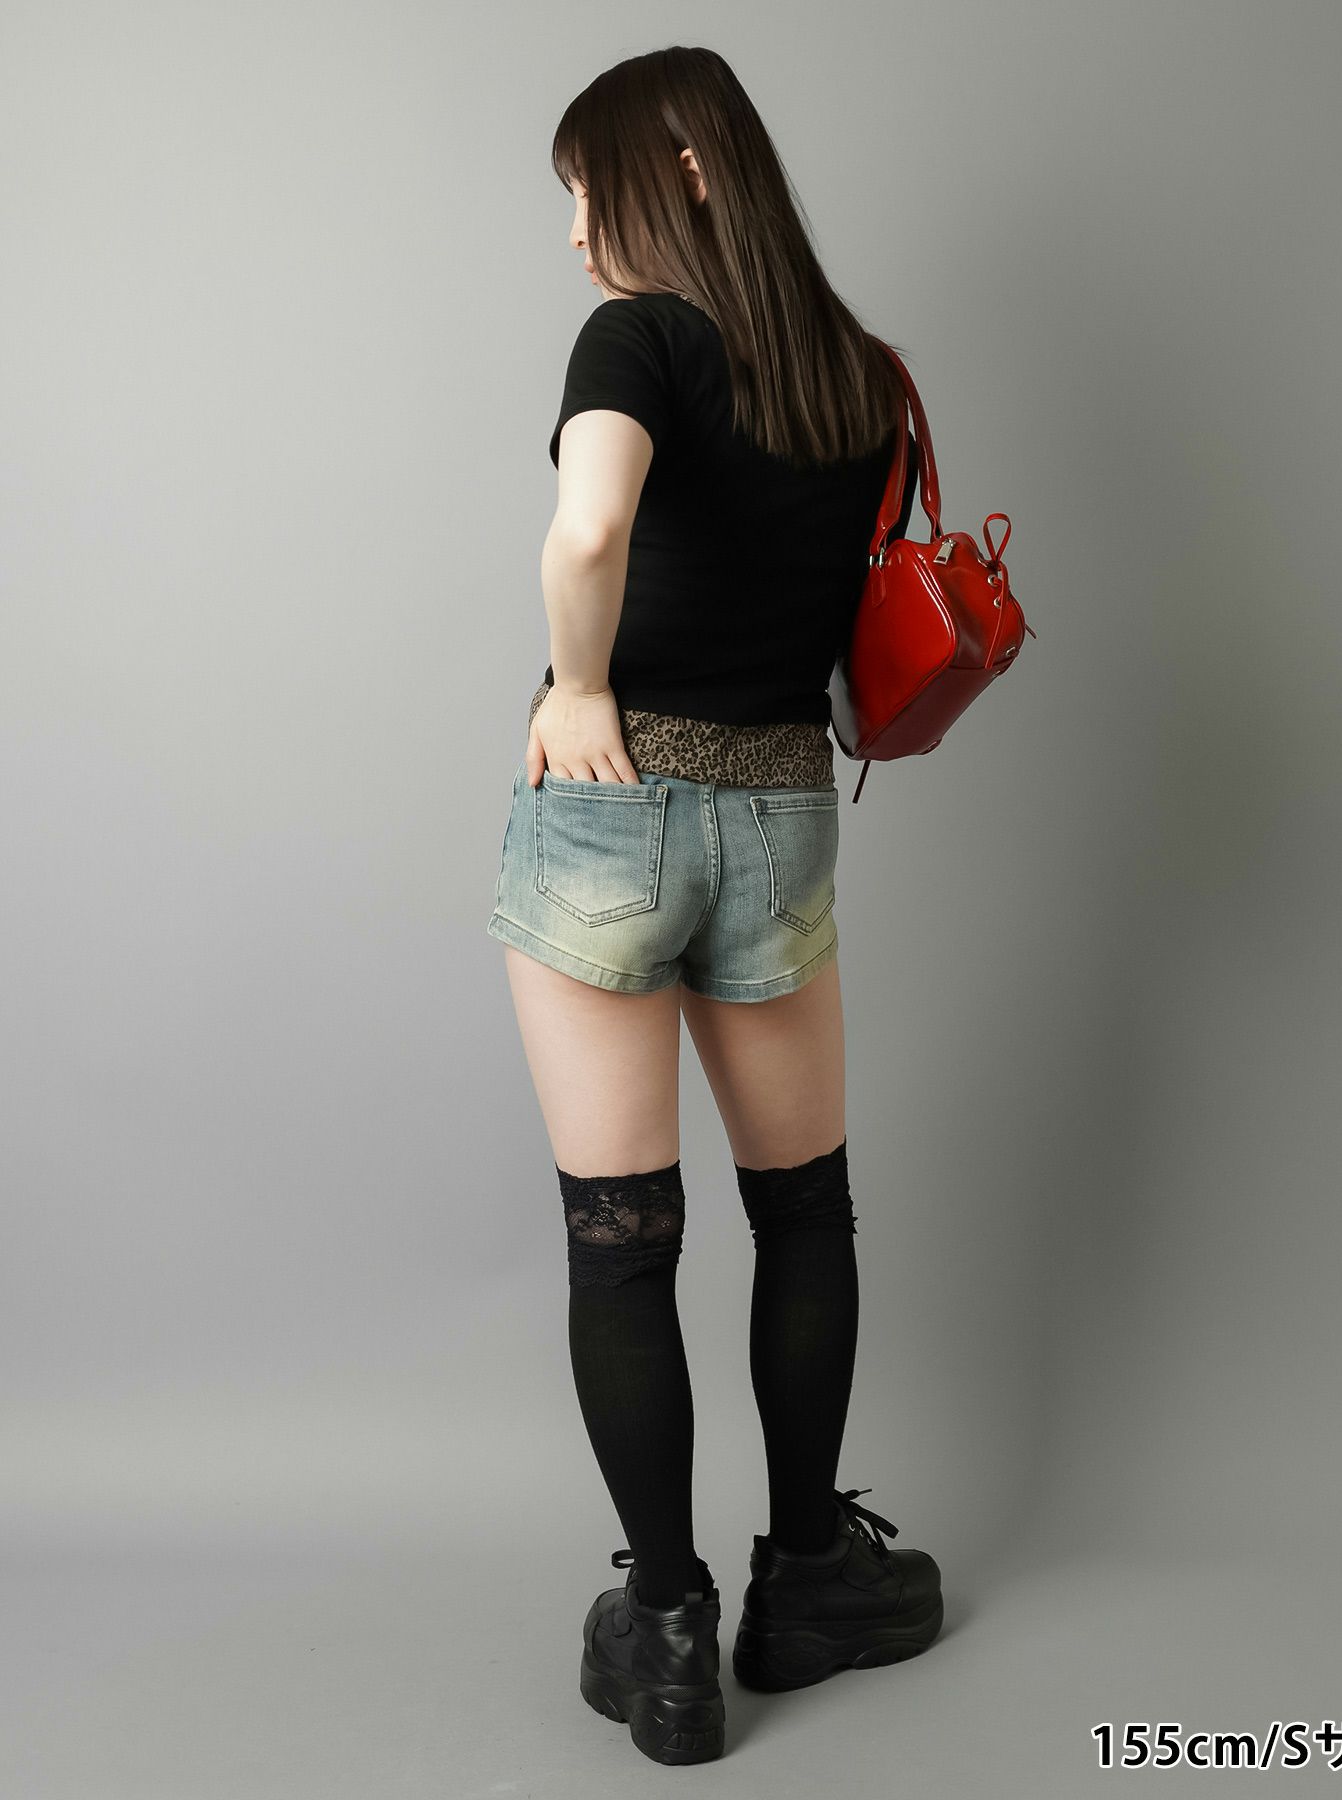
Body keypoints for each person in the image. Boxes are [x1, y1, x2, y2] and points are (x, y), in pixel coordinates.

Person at [485, 45, 942, 1765]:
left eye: (587, 187)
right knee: (804, 1211)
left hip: (612, 802)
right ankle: (810, 1579)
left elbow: (587, 532)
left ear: (680, 166)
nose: (575, 232)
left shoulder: (639, 338)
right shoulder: (860, 368)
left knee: (625, 1236)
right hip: (780, 810)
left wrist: (580, 688)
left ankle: (670, 1638)